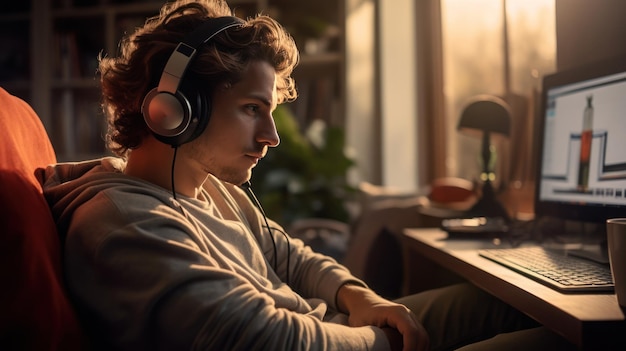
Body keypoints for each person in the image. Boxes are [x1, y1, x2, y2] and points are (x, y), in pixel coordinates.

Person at [41, 0, 574, 350]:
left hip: (336, 330)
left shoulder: (212, 190)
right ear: (175, 108)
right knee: (560, 340)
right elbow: (269, 342)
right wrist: (385, 337)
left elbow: (287, 253)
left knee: (501, 302)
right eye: (253, 108)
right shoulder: (122, 222)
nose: (271, 136)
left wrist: (356, 295)